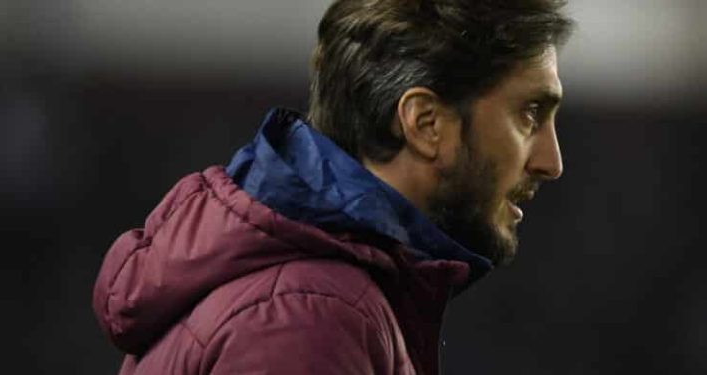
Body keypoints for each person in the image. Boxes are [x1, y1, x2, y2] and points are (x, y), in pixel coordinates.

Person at [92, 0, 574, 373]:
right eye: (530, 114)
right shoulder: (308, 320)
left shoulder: (312, 299)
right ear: (426, 123)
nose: (551, 162)